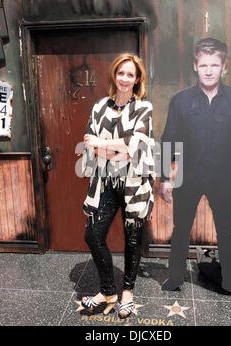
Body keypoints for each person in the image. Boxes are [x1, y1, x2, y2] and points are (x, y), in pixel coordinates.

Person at [160, 38, 231, 297]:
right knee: (181, 229)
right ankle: (175, 277)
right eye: (203, 64)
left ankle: (230, 281)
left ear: (224, 66)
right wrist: (165, 178)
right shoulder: (180, 100)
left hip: (223, 178)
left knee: (226, 231)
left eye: (215, 64)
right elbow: (168, 139)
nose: (209, 70)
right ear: (195, 66)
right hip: (186, 175)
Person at [80, 53, 155, 318]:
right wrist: (112, 148)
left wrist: (103, 144)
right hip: (105, 182)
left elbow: (134, 149)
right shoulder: (100, 106)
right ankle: (108, 290)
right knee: (93, 235)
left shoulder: (143, 109)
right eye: (120, 73)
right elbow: (90, 144)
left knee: (132, 238)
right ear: (114, 75)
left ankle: (128, 293)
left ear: (137, 80)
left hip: (134, 184)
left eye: (130, 75)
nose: (125, 78)